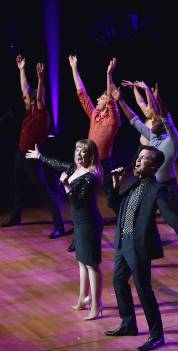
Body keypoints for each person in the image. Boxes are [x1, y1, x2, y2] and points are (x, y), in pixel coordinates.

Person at [104, 146, 178, 351]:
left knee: (144, 291)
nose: (137, 160)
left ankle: (157, 335)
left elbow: (168, 212)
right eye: (139, 157)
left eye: (144, 159)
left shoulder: (157, 189)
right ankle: (129, 324)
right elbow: (114, 206)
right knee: (118, 282)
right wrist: (114, 185)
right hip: (122, 241)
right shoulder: (134, 184)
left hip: (138, 246)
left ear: (153, 167)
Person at [113, 83, 178, 280]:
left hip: (168, 188)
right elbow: (134, 120)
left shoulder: (174, 140)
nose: (151, 120)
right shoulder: (152, 136)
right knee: (142, 222)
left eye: (155, 118)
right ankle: (138, 257)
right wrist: (120, 100)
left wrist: (158, 99)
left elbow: (166, 117)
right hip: (149, 187)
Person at [26, 140, 105, 320]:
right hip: (79, 224)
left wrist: (67, 186)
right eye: (77, 150)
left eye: (84, 152)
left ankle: (96, 304)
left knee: (92, 265)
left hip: (89, 224)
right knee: (81, 262)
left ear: (91, 156)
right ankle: (84, 298)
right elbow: (57, 164)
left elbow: (77, 202)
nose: (79, 154)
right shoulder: (74, 168)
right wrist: (40, 156)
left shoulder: (90, 177)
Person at [1, 55, 65, 239]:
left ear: (34, 102)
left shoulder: (41, 115)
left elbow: (39, 97)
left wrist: (41, 78)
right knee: (18, 187)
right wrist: (21, 69)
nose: (24, 100)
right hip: (20, 155)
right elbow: (25, 89)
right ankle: (15, 217)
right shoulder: (29, 112)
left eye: (28, 99)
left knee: (44, 190)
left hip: (32, 156)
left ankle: (59, 225)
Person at [66, 55, 121, 252]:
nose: (97, 99)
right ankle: (79, 238)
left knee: (113, 201)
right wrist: (74, 68)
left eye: (101, 97)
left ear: (108, 103)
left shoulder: (113, 121)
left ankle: (127, 226)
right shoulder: (94, 115)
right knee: (82, 201)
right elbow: (82, 93)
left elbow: (112, 103)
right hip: (86, 165)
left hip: (103, 164)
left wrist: (109, 74)